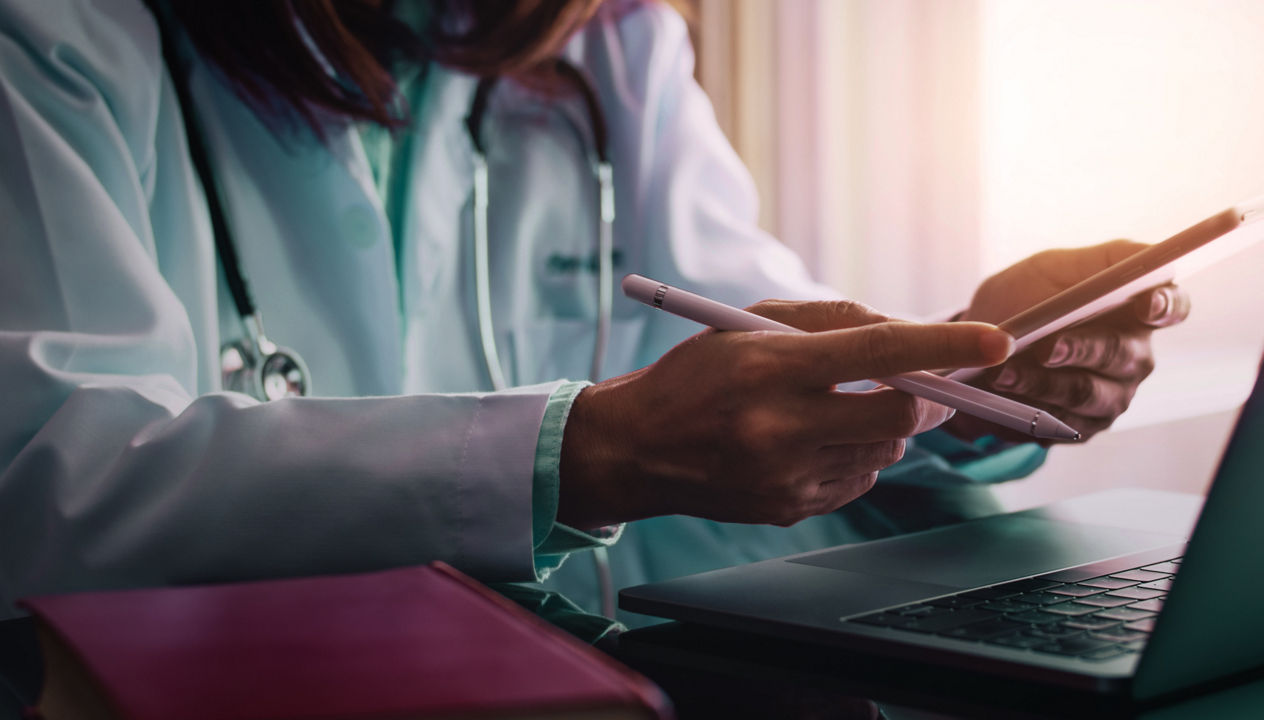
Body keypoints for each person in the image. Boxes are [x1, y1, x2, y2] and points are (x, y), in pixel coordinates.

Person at [0, 0, 1188, 647]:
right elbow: (45, 486)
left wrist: (955, 383)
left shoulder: (616, 50)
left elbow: (754, 403)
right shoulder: (60, 35)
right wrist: (595, 453)